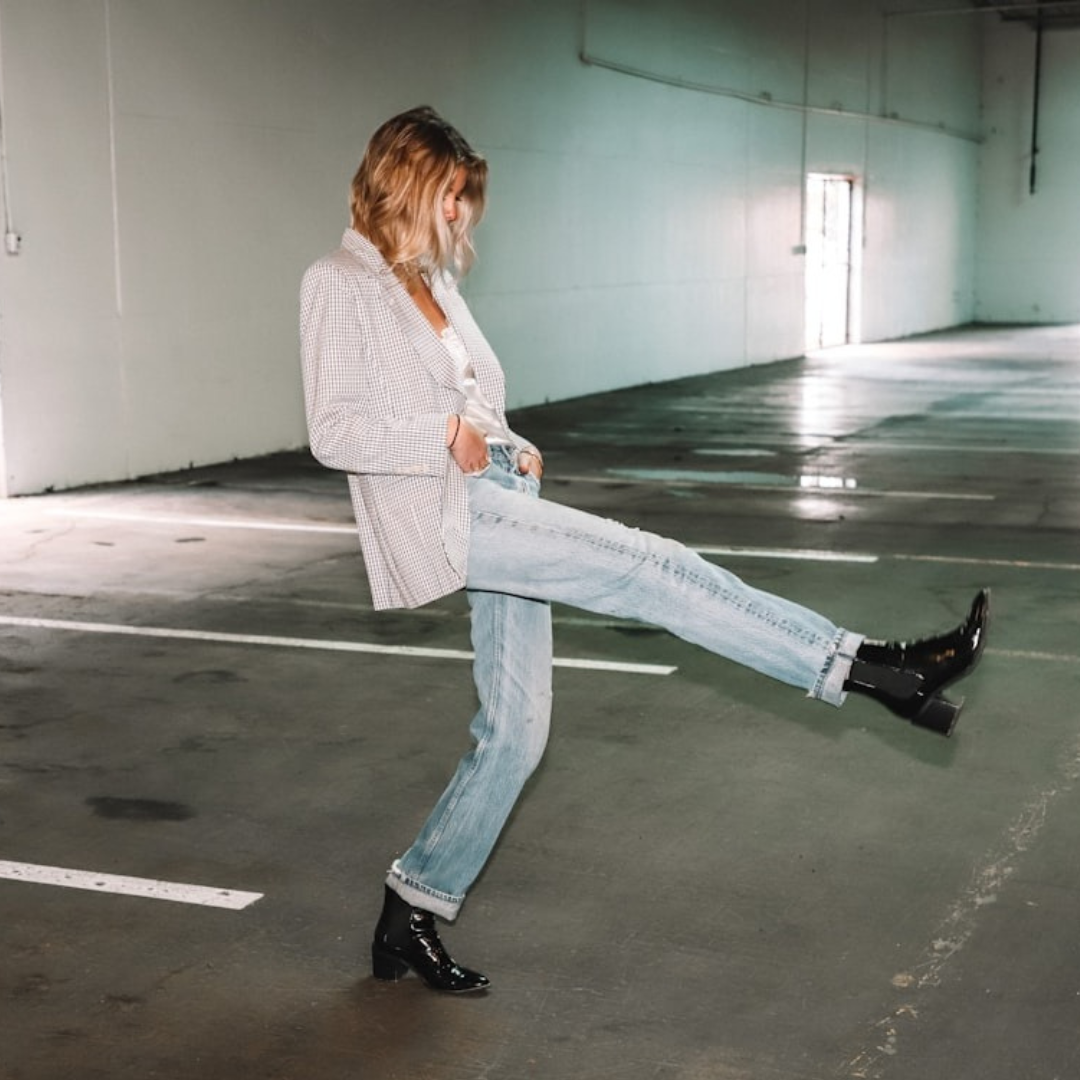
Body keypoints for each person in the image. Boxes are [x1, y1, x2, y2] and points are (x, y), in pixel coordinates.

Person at [299, 106, 989, 995]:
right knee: (652, 566)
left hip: (496, 492)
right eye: (449, 194)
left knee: (515, 736)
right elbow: (334, 429)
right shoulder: (338, 281)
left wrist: (507, 442)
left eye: (465, 197)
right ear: (403, 182)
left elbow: (469, 397)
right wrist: (439, 433)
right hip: (445, 514)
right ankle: (874, 668)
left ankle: (409, 912)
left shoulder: (428, 279)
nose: (460, 213)